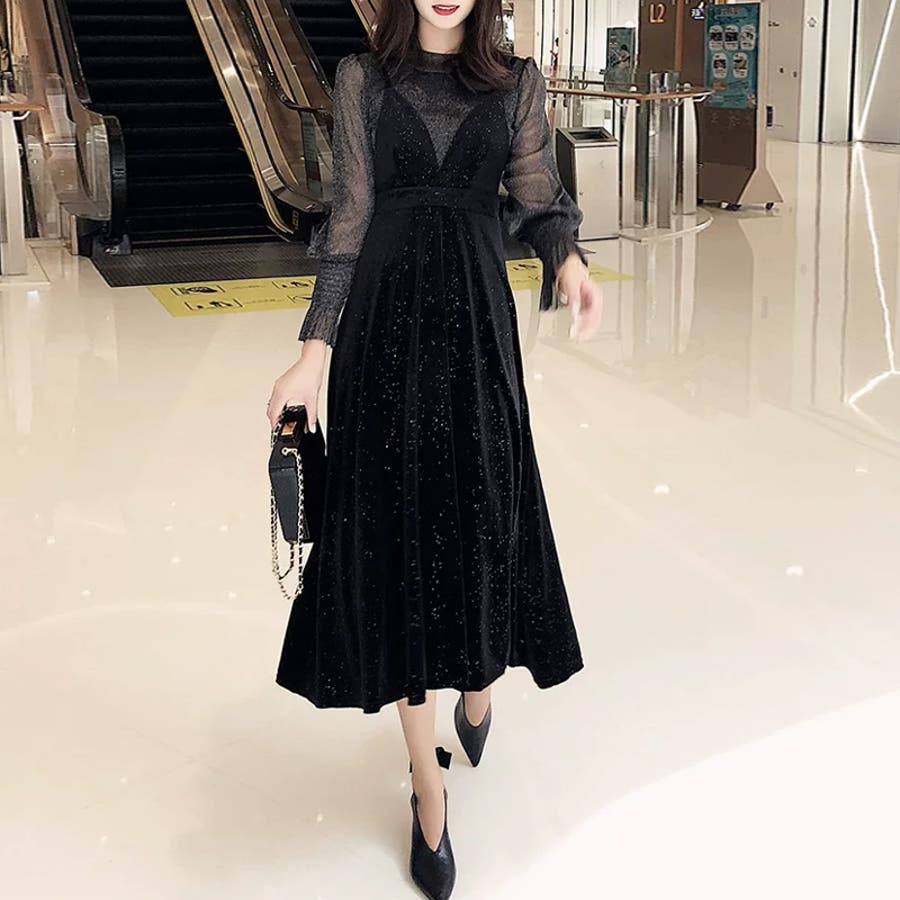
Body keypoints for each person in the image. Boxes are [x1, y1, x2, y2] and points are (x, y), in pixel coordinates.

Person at [266, 0, 602, 896]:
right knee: (402, 545)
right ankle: (427, 788)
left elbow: (536, 194)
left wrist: (568, 260)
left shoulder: (516, 83)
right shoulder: (363, 80)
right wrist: (313, 350)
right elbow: (349, 218)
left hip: (479, 334)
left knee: (484, 516)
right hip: (383, 336)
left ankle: (479, 681)